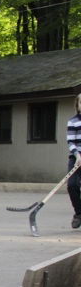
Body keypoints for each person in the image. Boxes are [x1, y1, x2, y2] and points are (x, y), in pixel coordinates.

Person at [66, 93, 81, 229]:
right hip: (76, 157)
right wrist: (77, 155)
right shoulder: (73, 121)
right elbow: (70, 141)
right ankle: (78, 213)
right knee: (72, 185)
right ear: (77, 106)